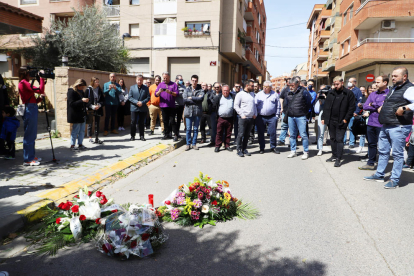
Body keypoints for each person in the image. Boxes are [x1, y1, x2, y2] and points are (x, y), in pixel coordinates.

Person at [364, 67, 414, 188]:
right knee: (383, 151)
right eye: (392, 76)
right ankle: (379, 174)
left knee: (397, 154)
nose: (392, 78)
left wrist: (404, 108)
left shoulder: (409, 88)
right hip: (386, 125)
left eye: (395, 76)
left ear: (404, 77)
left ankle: (394, 180)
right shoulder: (394, 89)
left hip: (399, 126)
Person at [321, 76, 356, 167]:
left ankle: (338, 158)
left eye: (337, 84)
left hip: (342, 120)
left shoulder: (348, 93)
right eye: (334, 84)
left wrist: (346, 119)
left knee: (339, 139)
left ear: (342, 83)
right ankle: (334, 155)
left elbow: (351, 107)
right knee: (332, 138)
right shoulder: (331, 93)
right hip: (331, 120)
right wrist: (323, 117)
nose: (336, 86)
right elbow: (326, 106)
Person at [359, 76, 390, 170]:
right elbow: (365, 106)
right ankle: (370, 163)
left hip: (382, 124)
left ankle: (381, 166)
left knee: (382, 146)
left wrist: (372, 104)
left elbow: (386, 107)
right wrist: (377, 107)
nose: (376, 84)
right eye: (375, 82)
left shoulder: (389, 93)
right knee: (371, 144)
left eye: (378, 82)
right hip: (371, 123)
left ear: (385, 83)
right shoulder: (373, 94)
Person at [18, 67, 46, 166]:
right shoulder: (23, 83)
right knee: (29, 135)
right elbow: (40, 89)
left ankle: (31, 156)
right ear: (25, 73)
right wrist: (41, 78)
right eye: (29, 73)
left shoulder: (25, 83)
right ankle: (28, 159)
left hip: (31, 107)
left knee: (32, 134)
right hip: (29, 109)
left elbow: (33, 99)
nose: (31, 74)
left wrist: (40, 99)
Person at [285, 77, 312, 159]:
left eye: (292, 85)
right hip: (291, 116)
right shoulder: (288, 92)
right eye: (290, 85)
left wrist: (304, 113)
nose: (291, 87)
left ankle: (305, 152)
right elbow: (286, 104)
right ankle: (293, 151)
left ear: (297, 84)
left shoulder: (303, 91)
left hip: (300, 116)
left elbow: (308, 103)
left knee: (303, 135)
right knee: (292, 135)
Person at [255, 81, 281, 154]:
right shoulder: (259, 95)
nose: (265, 88)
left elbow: (278, 106)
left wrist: (276, 116)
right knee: (260, 133)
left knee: (272, 133)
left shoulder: (275, 94)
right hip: (260, 117)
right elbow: (255, 105)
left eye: (266, 87)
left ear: (270, 87)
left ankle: (273, 147)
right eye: (264, 86)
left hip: (272, 117)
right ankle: (262, 148)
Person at [234, 81, 257, 157]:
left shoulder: (252, 94)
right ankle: (239, 149)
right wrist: (242, 114)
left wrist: (255, 114)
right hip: (243, 118)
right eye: (252, 86)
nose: (253, 87)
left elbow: (254, 105)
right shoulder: (240, 94)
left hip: (251, 118)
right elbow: (236, 106)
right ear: (247, 85)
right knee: (241, 134)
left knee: (247, 135)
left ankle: (244, 148)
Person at [155, 72, 179, 141]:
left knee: (172, 121)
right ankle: (166, 134)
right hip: (163, 106)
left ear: (169, 77)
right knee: (165, 121)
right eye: (164, 78)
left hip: (171, 106)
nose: (165, 79)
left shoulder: (173, 84)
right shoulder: (160, 84)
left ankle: (175, 134)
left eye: (166, 78)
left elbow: (177, 94)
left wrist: (170, 92)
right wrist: (159, 92)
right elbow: (156, 94)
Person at [183, 75, 204, 151]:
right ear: (191, 81)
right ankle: (188, 144)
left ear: (197, 81)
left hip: (197, 112)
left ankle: (194, 144)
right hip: (188, 112)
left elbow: (201, 99)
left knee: (195, 129)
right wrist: (195, 100)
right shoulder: (187, 89)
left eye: (195, 80)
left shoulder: (200, 90)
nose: (194, 82)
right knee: (188, 129)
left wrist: (191, 98)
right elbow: (184, 100)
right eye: (193, 80)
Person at [67, 79, 89, 151]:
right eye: (82, 87)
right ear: (78, 85)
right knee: (75, 130)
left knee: (82, 130)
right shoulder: (71, 91)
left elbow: (82, 102)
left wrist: (86, 101)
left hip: (82, 114)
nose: (83, 88)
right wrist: (81, 100)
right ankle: (72, 145)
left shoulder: (81, 92)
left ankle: (80, 144)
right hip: (75, 114)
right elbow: (71, 103)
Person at [213, 85, 235, 152]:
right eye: (224, 90)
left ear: (229, 91)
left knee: (228, 133)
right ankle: (217, 146)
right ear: (222, 91)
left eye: (227, 90)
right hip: (221, 118)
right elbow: (214, 107)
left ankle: (227, 145)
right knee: (219, 133)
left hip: (230, 118)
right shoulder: (218, 97)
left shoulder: (233, 97)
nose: (226, 92)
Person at [129, 74, 150, 141]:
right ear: (136, 80)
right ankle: (132, 136)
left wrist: (142, 102)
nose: (139, 81)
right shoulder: (132, 87)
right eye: (138, 80)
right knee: (133, 122)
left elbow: (148, 97)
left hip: (142, 107)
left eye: (141, 80)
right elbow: (130, 97)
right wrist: (136, 102)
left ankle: (142, 136)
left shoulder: (146, 88)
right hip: (134, 107)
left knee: (141, 122)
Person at [343, 77, 363, 148]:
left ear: (354, 83)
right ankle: (343, 141)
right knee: (344, 127)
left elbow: (359, 102)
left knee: (351, 127)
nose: (349, 83)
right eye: (348, 81)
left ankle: (351, 142)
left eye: (351, 82)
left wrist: (356, 111)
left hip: (352, 112)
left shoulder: (357, 91)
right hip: (345, 112)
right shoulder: (346, 90)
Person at [85, 77, 105, 144]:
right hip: (91, 109)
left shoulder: (99, 89)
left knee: (97, 123)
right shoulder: (88, 90)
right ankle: (90, 137)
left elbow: (103, 100)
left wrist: (99, 105)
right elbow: (86, 102)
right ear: (92, 82)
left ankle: (96, 137)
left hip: (98, 108)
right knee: (90, 123)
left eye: (98, 82)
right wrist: (92, 106)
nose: (97, 83)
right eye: (96, 82)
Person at [316, 85, 329, 156]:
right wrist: (320, 97)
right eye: (321, 90)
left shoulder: (332, 96)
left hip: (331, 114)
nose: (323, 92)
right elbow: (320, 104)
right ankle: (320, 149)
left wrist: (328, 97)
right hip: (322, 113)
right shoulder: (320, 97)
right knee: (320, 133)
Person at [278, 78, 291, 146]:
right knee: (284, 126)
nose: (289, 83)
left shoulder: (296, 89)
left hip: (293, 112)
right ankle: (281, 140)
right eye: (288, 82)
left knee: (292, 127)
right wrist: (282, 107)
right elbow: (281, 98)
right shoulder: (284, 89)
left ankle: (292, 141)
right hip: (285, 111)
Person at [175, 75, 186, 139]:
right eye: (180, 79)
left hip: (181, 105)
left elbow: (184, 95)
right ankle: (172, 132)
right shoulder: (173, 86)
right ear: (176, 80)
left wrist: (176, 94)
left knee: (179, 120)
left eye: (182, 79)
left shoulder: (183, 87)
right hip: (173, 105)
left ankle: (177, 133)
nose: (181, 81)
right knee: (172, 120)